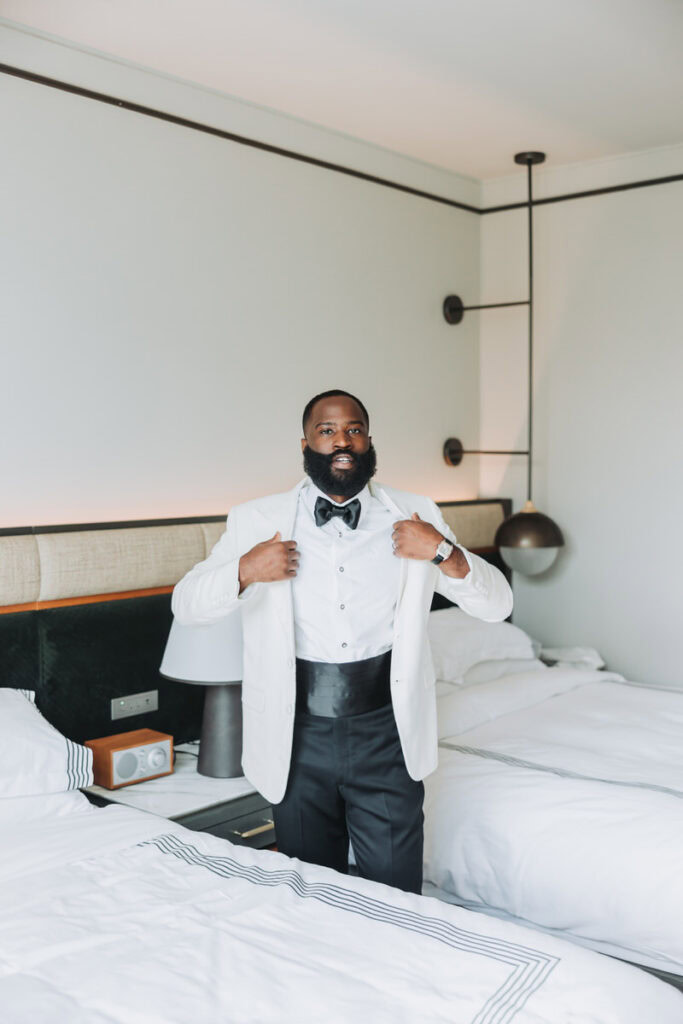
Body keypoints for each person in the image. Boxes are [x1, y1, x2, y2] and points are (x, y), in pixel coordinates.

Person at [172, 389, 512, 893]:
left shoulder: (416, 512)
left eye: (353, 429)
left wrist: (442, 551)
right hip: (296, 734)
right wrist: (246, 570)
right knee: (311, 893)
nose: (341, 441)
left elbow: (497, 604)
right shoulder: (256, 520)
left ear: (369, 440)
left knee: (396, 892)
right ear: (305, 443)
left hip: (387, 731)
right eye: (327, 431)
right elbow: (187, 604)